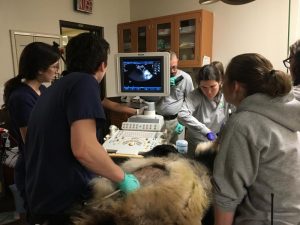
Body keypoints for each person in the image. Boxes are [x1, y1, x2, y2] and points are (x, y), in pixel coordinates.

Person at [24, 33, 140, 225]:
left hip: (41, 196)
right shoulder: (85, 83)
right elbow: (84, 149)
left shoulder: (56, 86)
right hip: (62, 203)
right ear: (102, 65)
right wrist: (123, 178)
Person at [213, 53, 300, 225]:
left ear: (235, 86)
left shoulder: (243, 123)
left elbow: (226, 194)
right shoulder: (286, 110)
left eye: (224, 82)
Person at [3, 42, 60, 216]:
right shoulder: (21, 97)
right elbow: (33, 140)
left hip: (47, 161)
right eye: (54, 67)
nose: (57, 70)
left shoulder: (42, 90)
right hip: (35, 167)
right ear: (39, 69)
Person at [178, 64, 231, 157]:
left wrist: (227, 127)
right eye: (204, 87)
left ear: (220, 81)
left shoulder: (227, 93)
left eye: (212, 86)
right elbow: (182, 115)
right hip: (197, 143)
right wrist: (205, 131)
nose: (209, 92)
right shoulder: (195, 95)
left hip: (217, 142)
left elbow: (239, 111)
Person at [142, 51, 194, 144]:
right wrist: (163, 88)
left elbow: (191, 103)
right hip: (157, 119)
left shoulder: (186, 78)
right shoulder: (155, 77)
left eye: (174, 67)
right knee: (156, 149)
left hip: (176, 121)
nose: (172, 71)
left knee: (174, 153)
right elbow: (149, 99)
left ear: (177, 61)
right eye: (169, 68)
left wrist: (183, 123)